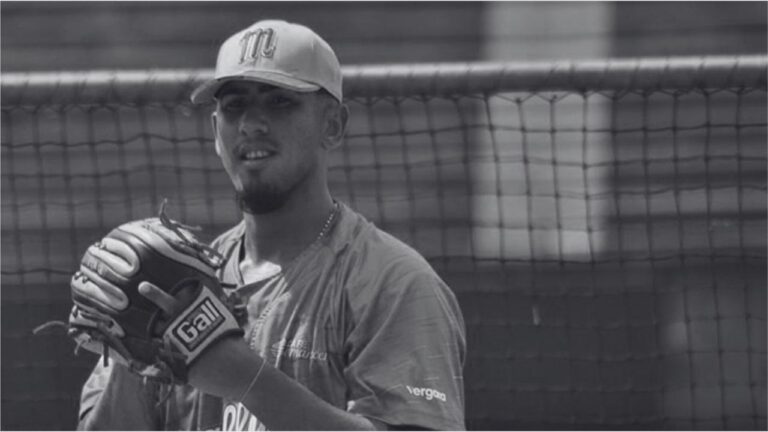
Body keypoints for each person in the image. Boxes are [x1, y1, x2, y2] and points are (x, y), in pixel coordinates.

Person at [77, 19, 466, 431]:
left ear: (332, 124)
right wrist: (132, 351)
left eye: (279, 102)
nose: (251, 124)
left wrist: (248, 380)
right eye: (234, 105)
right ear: (215, 131)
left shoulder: (392, 282)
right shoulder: (177, 285)